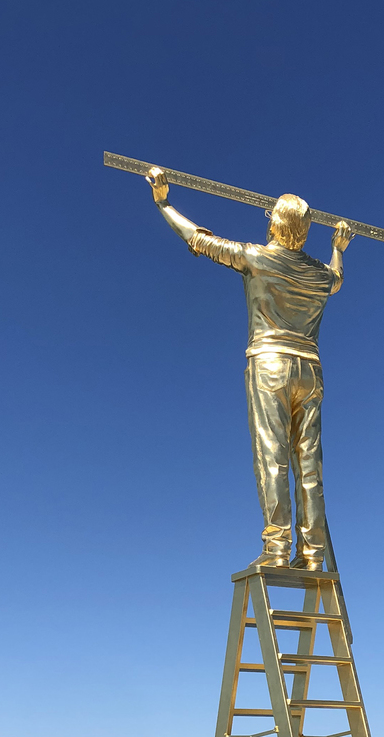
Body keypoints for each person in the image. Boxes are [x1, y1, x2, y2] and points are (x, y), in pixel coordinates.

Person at [146, 167, 354, 570]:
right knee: (309, 462)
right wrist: (339, 247)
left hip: (270, 363)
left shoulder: (256, 258)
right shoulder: (317, 273)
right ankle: (313, 554)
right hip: (311, 369)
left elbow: (199, 240)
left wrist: (164, 202)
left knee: (271, 454)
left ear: (275, 224)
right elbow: (337, 280)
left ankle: (277, 549)